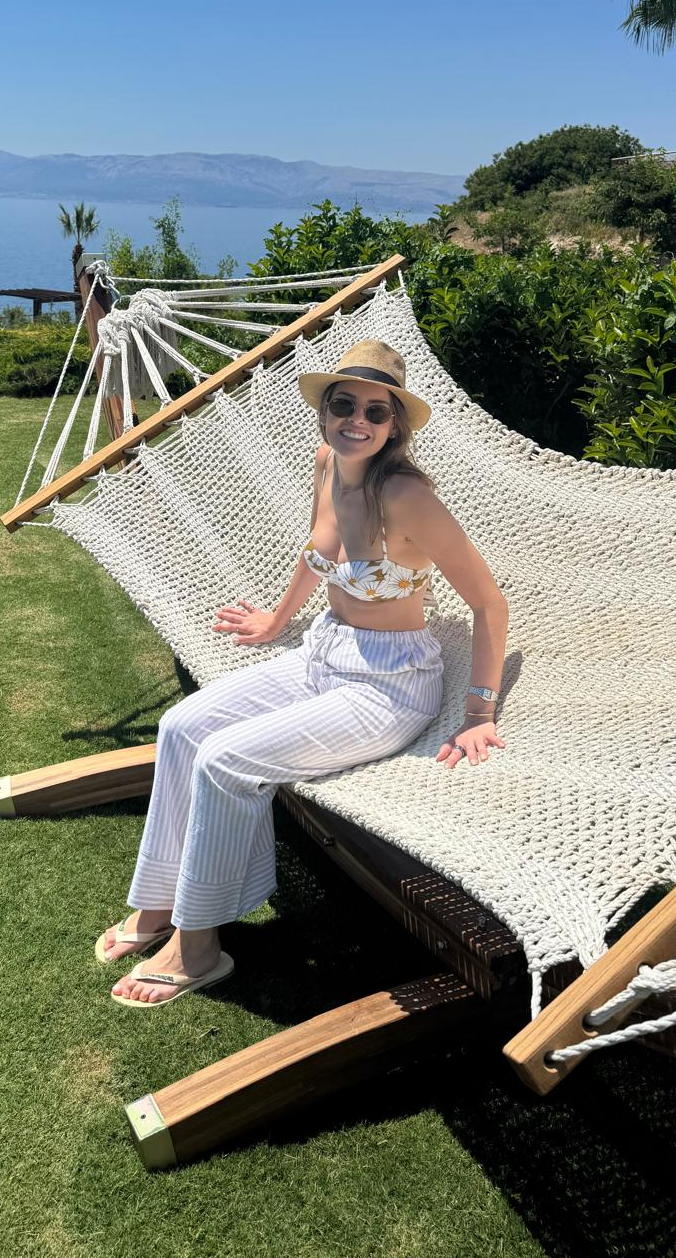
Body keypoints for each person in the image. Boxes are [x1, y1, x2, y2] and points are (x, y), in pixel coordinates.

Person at [99, 339, 509, 1007]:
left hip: (388, 687)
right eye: (343, 404)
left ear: (394, 426)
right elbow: (317, 552)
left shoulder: (405, 496)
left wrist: (480, 714)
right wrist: (275, 618)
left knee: (226, 760)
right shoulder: (327, 462)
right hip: (323, 652)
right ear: (322, 412)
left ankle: (197, 944)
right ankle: (157, 901)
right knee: (180, 726)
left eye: (376, 412)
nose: (358, 421)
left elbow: (489, 602)